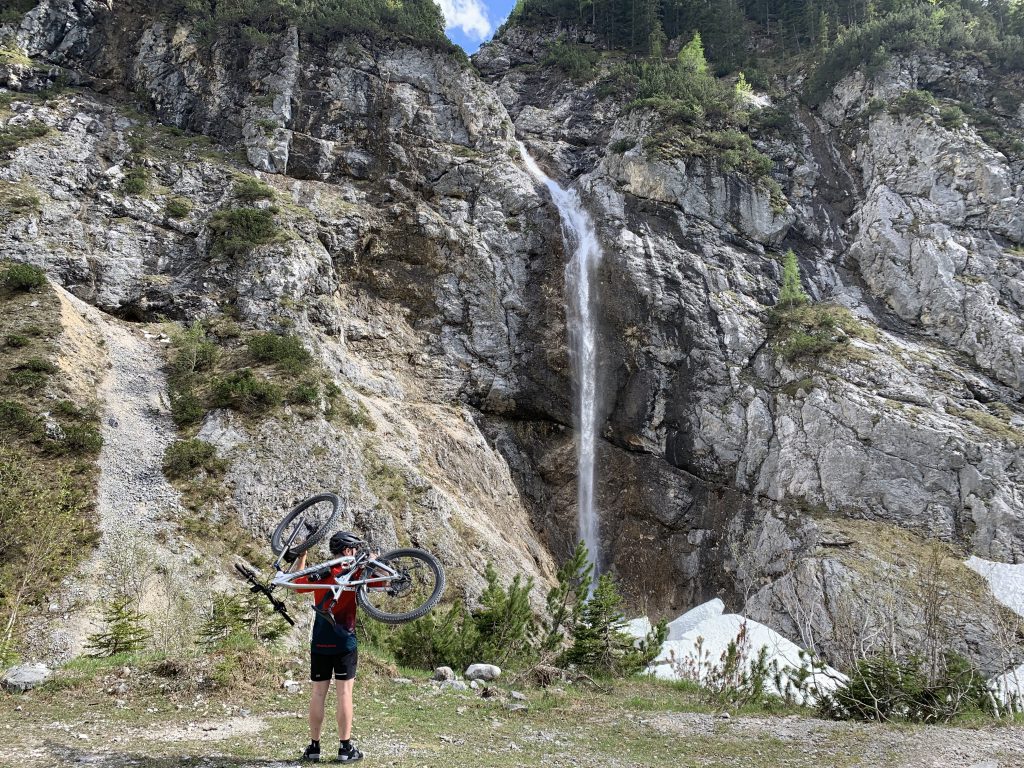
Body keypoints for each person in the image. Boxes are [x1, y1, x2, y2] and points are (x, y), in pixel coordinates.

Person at [289, 530, 366, 763]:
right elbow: (383, 581)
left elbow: (295, 584)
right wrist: (374, 559)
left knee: (318, 693)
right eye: (354, 549)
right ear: (347, 550)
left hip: (320, 641)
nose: (356, 553)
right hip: (346, 641)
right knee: (344, 693)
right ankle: (345, 749)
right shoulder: (356, 571)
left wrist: (302, 556)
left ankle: (314, 748)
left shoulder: (321, 572)